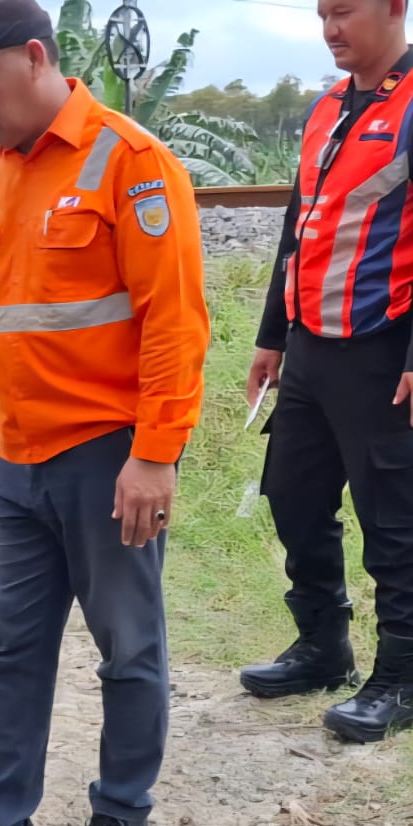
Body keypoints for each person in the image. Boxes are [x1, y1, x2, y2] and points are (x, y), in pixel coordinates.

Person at [0, 0, 208, 826]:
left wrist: (155, 454)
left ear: (36, 59)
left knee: (128, 645)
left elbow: (174, 324)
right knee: (14, 649)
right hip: (21, 464)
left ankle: (120, 805)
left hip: (109, 459)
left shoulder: (130, 163)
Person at [239, 0, 413, 743]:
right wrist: (272, 336)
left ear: (396, 9)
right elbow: (297, 223)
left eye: (344, 12)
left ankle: (401, 677)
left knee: (395, 523)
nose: (331, 29)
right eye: (321, 15)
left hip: (383, 351)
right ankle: (324, 644)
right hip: (311, 344)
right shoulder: (327, 110)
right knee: (292, 495)